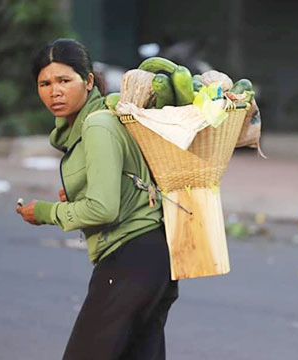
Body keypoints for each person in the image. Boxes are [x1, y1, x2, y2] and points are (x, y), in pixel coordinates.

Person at [16, 38, 178, 360]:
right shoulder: (97, 120)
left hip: (131, 258)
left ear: (89, 81)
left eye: (64, 80)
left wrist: (47, 212)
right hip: (155, 260)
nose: (54, 92)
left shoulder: (97, 125)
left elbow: (104, 209)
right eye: (44, 83)